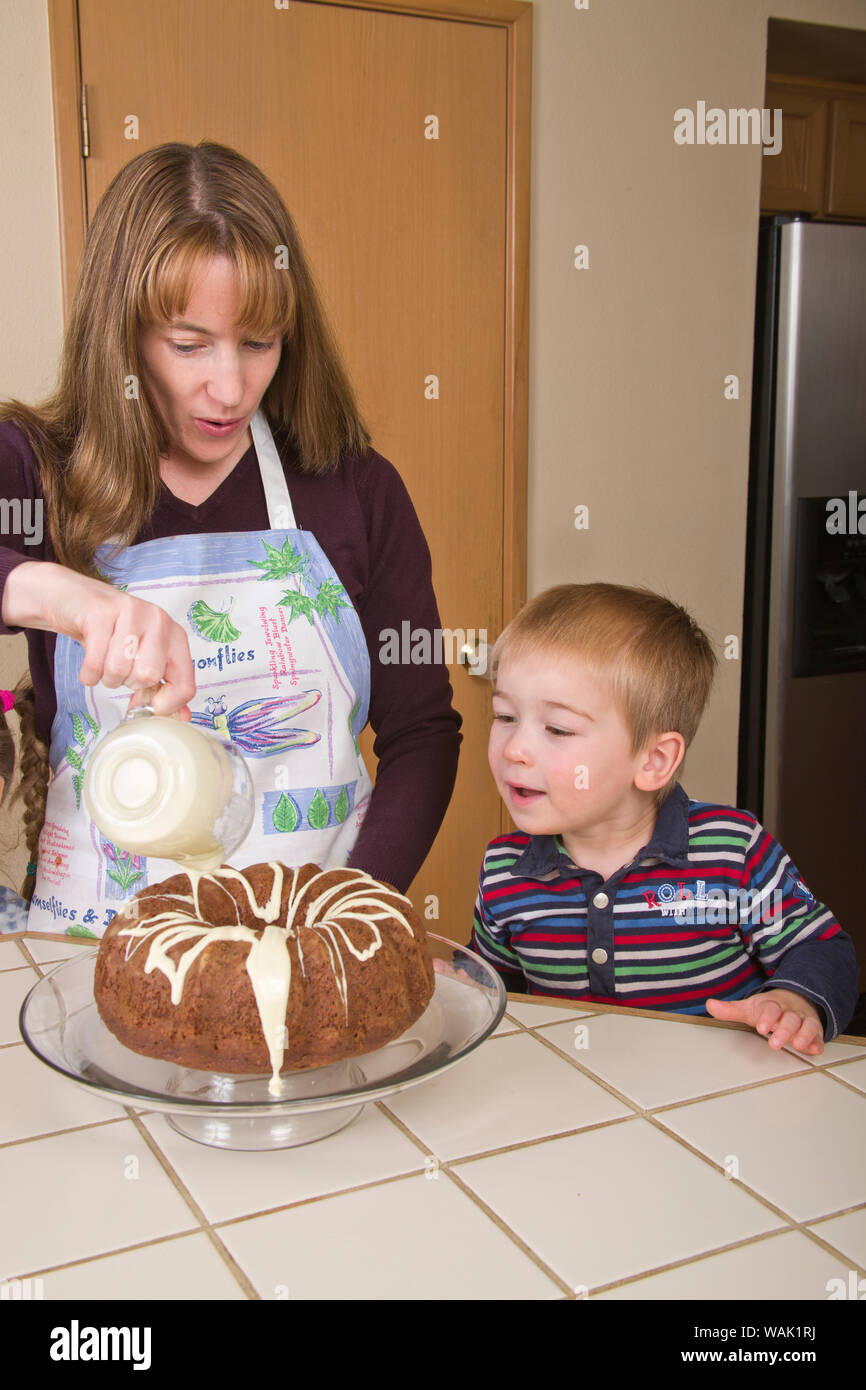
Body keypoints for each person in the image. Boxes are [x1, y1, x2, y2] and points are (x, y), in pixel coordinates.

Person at [0, 141, 461, 937]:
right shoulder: (37, 467)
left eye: (259, 342)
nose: (231, 388)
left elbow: (423, 731)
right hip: (91, 951)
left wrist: (350, 911)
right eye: (188, 345)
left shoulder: (355, 488)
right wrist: (54, 592)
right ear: (124, 335)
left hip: (308, 947)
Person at [471, 582, 860, 1055]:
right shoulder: (503, 870)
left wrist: (794, 999)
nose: (514, 749)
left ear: (653, 760)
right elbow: (497, 989)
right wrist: (461, 986)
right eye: (505, 715)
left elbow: (822, 947)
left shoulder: (732, 851)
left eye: (557, 728)